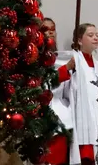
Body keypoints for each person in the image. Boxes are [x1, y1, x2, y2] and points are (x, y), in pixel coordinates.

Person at [61, 23, 98, 165]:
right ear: (79, 40)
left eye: (96, 35)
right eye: (90, 35)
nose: (95, 38)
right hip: (82, 117)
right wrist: (68, 68)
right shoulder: (73, 59)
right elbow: (57, 85)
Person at [38, 18, 74, 165]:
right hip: (44, 121)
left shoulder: (62, 58)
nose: (51, 32)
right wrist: (65, 70)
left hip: (64, 119)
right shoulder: (34, 60)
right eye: (46, 29)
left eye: (53, 28)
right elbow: (44, 86)